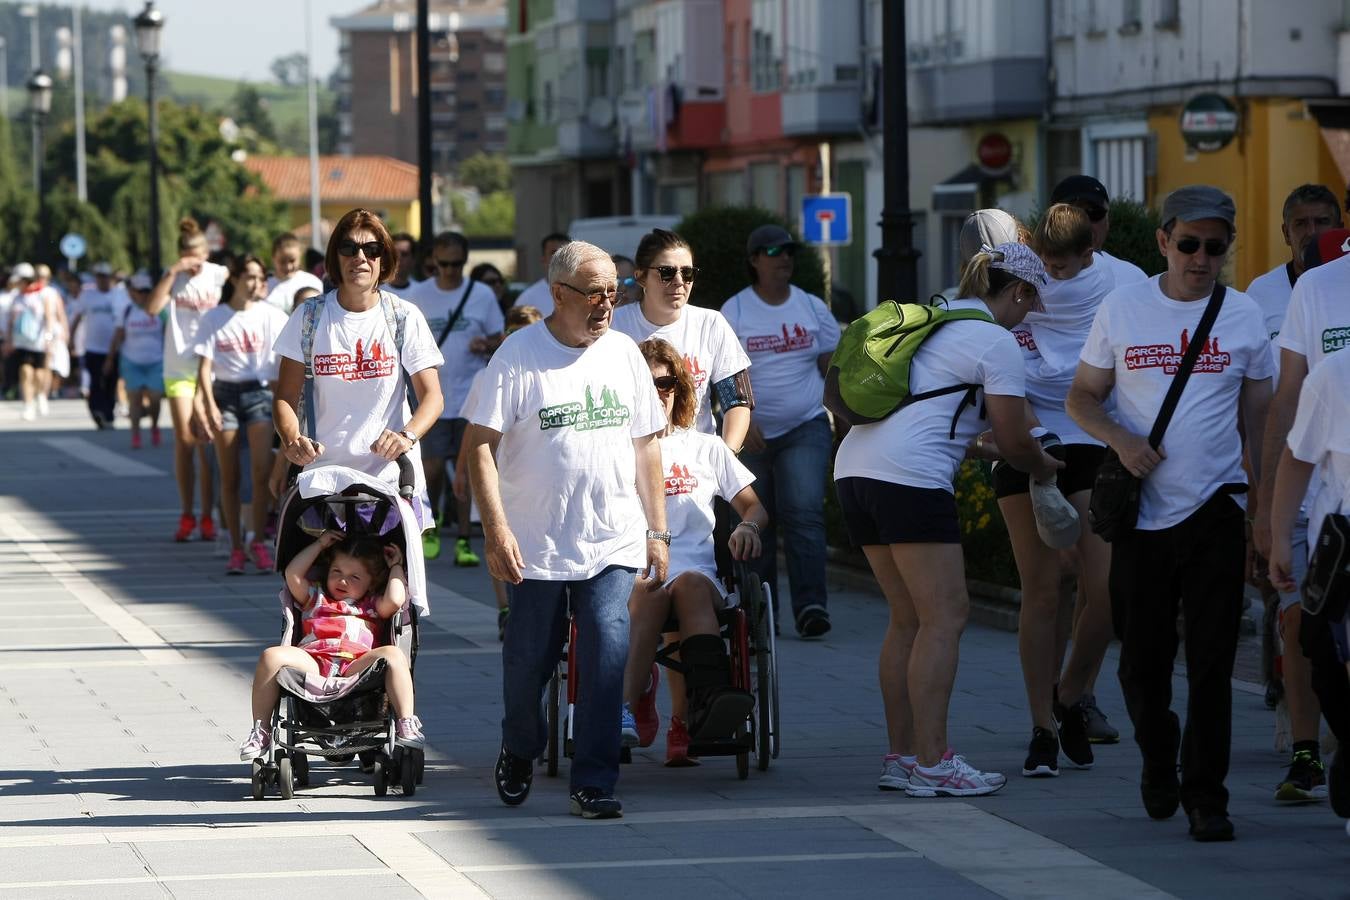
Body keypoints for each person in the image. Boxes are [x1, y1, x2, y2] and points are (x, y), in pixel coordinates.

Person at [1066, 185, 1274, 842]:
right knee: (1141, 665)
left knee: (1212, 663)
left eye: (1215, 246)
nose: (1201, 258)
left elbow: (1262, 423)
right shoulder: (1123, 308)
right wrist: (1121, 440)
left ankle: (1207, 798)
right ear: (1163, 241)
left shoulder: (1242, 316)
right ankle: (1160, 753)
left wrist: (1264, 512)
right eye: (1189, 244)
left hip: (1217, 508)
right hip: (1142, 516)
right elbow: (1081, 397)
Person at [835, 242, 1059, 798]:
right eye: (1032, 303)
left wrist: (980, 449)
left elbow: (935, 415)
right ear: (1018, 291)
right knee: (945, 615)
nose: (1030, 315)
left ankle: (902, 758)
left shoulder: (938, 317)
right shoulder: (995, 342)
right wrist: (1043, 467)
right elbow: (1015, 439)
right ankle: (935, 762)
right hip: (910, 479)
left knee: (907, 618)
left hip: (855, 470)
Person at [466, 240, 666, 821]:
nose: (607, 304)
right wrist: (495, 530)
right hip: (536, 542)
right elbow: (479, 446)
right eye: (594, 293)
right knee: (528, 659)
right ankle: (520, 745)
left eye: (615, 291)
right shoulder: (518, 354)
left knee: (607, 647)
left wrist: (657, 531)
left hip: (611, 537)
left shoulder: (625, 353)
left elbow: (647, 446)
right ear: (558, 294)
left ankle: (595, 780)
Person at [994, 204, 1118, 777]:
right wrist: (1032, 445)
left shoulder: (1119, 282)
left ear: (1090, 252)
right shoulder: (1017, 280)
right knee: (1044, 590)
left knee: (1107, 589)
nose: (1052, 274)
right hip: (1025, 443)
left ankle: (1069, 697)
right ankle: (1042, 727)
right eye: (1045, 263)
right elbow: (993, 368)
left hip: (1089, 440)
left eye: (1063, 265)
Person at [621, 338, 767, 764]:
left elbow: (755, 507)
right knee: (651, 587)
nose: (658, 393)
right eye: (647, 384)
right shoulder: (615, 451)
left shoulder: (706, 447)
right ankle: (623, 709)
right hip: (638, 573)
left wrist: (747, 526)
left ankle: (710, 702)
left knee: (687, 584)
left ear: (680, 389)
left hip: (696, 574)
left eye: (666, 384)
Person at [1244, 185, 1343, 796]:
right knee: (1300, 625)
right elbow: (1274, 403)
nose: (1311, 233)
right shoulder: (1288, 293)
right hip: (1310, 495)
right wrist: (1265, 509)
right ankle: (1306, 751)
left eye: (1322, 221)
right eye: (1300, 223)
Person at [270, 208, 445, 522]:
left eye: (371, 249)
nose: (360, 257)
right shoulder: (308, 317)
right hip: (324, 481)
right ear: (335, 257)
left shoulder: (404, 316)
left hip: (392, 480)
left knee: (392, 557)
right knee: (318, 557)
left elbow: (432, 397)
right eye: (349, 248)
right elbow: (284, 397)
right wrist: (293, 440)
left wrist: (406, 437)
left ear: (384, 258)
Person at [721, 224, 839, 638]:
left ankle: (811, 607)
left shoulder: (811, 307)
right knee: (757, 521)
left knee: (804, 513)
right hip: (751, 433)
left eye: (789, 250)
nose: (784, 257)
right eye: (773, 251)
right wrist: (741, 417)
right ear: (754, 260)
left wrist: (847, 424)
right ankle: (760, 615)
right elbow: (723, 374)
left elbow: (831, 369)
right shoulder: (734, 310)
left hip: (805, 425)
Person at [237, 528, 424, 761]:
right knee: (270, 656)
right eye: (336, 572)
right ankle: (261, 730)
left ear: (372, 582)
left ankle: (406, 722)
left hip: (356, 663)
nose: (342, 580)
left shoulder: (372, 605)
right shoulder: (315, 597)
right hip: (315, 660)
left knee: (394, 654)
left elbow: (395, 600)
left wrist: (396, 566)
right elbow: (293, 574)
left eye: (354, 577)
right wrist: (319, 545)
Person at [1268, 344, 1350, 823]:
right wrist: (1279, 537)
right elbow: (1297, 459)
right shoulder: (1335, 374)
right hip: (1341, 554)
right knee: (1326, 667)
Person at [406, 231, 503, 564]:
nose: (449, 270)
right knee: (432, 469)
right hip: (430, 397)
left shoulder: (481, 294)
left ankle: (464, 539)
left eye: (456, 264)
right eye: (443, 264)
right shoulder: (418, 295)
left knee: (469, 470)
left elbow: (501, 337)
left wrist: (486, 344)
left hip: (470, 397)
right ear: (433, 260)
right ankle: (431, 525)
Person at [613, 229, 752, 449]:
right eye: (666, 272)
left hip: (696, 461)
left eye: (687, 273)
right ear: (640, 277)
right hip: (633, 458)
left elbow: (738, 400)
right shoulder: (614, 326)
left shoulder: (711, 323)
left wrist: (727, 455)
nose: (679, 281)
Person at [454, 304, 544, 641]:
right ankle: (505, 605)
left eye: (527, 331)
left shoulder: (546, 369)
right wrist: (461, 470)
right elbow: (472, 428)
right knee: (497, 535)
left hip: (530, 474)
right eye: (512, 332)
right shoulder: (487, 374)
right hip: (494, 470)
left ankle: (533, 602)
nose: (518, 338)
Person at [194, 255, 289, 575]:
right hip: (225, 396)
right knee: (230, 475)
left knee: (261, 473)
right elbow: (203, 368)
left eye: (260, 277)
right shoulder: (214, 317)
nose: (255, 283)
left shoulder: (271, 316)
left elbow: (284, 362)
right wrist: (207, 405)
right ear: (234, 279)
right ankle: (235, 546)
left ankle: (257, 541)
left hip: (259, 395)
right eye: (249, 277)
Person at [147, 218, 226, 543]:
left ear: (207, 252)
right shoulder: (174, 277)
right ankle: (187, 512)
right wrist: (172, 272)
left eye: (199, 254)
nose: (195, 261)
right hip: (178, 367)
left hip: (210, 368)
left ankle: (207, 515)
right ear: (182, 254)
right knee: (185, 439)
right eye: (189, 255)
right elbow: (152, 308)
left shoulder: (219, 275)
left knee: (206, 444)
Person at [1050, 176, 1148, 287]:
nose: (1084, 223)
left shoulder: (1133, 279)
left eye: (1094, 213)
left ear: (1107, 220)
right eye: (1071, 215)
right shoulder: (1037, 279)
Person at [69, 262, 130, 429]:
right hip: (92, 347)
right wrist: (71, 338)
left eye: (105, 277)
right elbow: (77, 317)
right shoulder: (87, 295)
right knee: (95, 381)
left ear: (110, 278)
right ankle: (96, 410)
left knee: (111, 382)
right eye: (99, 277)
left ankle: (109, 414)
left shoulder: (119, 295)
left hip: (114, 347)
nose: (102, 280)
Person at [109, 271, 165, 449]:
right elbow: (118, 336)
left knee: (155, 398)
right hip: (131, 360)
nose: (143, 294)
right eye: (140, 291)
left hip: (156, 361)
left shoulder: (161, 311)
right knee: (134, 399)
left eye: (146, 291)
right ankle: (135, 434)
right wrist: (110, 358)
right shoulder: (127, 311)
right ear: (133, 292)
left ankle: (154, 426)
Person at [4, 263, 60, 421]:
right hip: (21, 343)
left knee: (39, 374)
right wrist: (9, 340)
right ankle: (28, 405)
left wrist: (49, 337)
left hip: (39, 342)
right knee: (25, 371)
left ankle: (40, 394)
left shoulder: (42, 294)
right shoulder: (17, 297)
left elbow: (49, 317)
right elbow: (10, 320)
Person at [262, 232, 324, 315]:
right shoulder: (264, 285)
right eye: (282, 261)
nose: (288, 266)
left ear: (300, 255)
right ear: (273, 258)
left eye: (292, 260)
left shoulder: (312, 282)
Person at [513, 232, 570, 316]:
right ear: (543, 259)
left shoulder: (583, 295)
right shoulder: (527, 300)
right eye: (554, 253)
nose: (560, 258)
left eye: (565, 254)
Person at [386, 231, 421, 297]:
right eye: (394, 253)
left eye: (404, 254)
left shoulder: (420, 291)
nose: (398, 258)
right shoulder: (375, 290)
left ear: (413, 259)